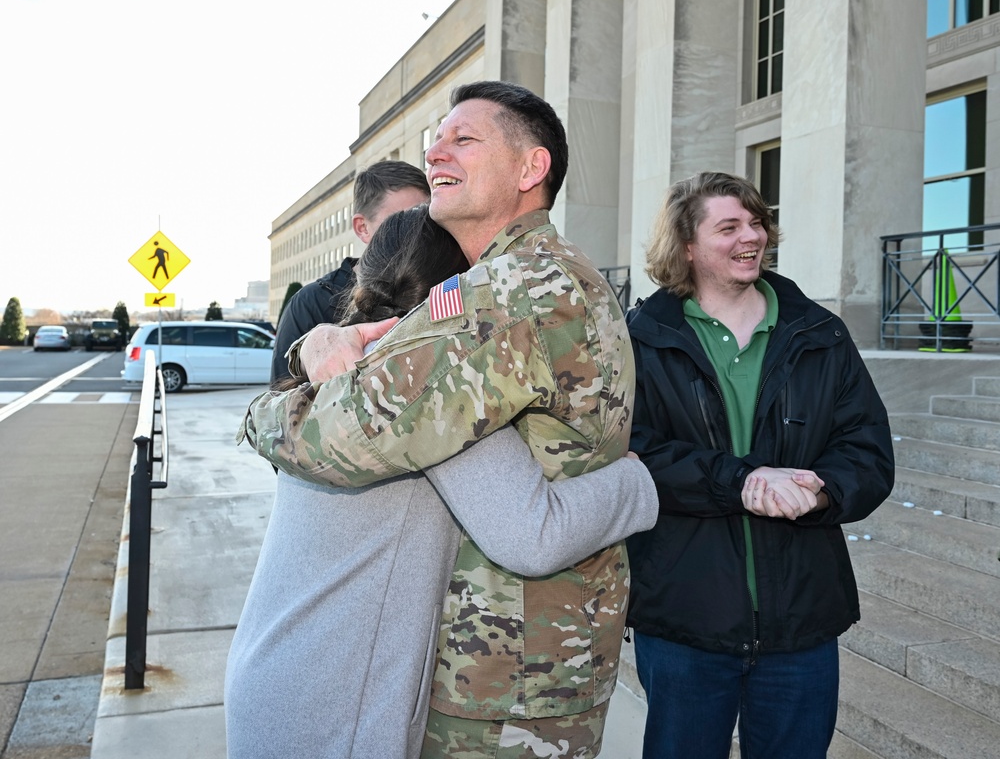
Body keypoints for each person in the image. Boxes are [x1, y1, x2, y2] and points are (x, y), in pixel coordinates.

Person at [240, 81, 637, 758]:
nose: (436, 153)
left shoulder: (510, 291)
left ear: (529, 169)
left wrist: (266, 409)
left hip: (509, 679)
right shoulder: (539, 273)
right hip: (532, 661)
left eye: (464, 139)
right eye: (435, 141)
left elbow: (341, 435)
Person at [625, 171, 895, 759]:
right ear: (687, 246)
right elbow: (631, 453)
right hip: (683, 617)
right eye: (730, 226)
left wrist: (822, 489)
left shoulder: (820, 332)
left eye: (757, 222)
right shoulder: (639, 340)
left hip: (802, 619)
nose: (752, 236)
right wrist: (739, 482)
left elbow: (867, 448)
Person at [270, 159, 430, 382]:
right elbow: (281, 406)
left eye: (426, 219)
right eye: (400, 221)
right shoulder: (311, 304)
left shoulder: (439, 286)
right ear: (362, 228)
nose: (419, 231)